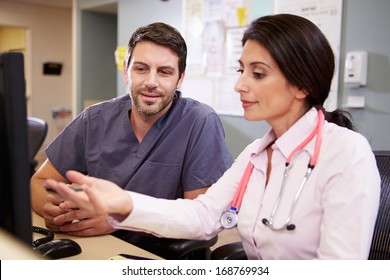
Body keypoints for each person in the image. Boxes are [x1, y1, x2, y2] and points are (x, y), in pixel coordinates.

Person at [44, 14, 381, 260]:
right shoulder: (255, 155)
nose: (239, 85)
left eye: (257, 73)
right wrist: (124, 203)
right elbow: (203, 216)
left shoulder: (347, 154)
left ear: (302, 85)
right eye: (241, 70)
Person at [30, 22, 233, 241]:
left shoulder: (199, 122)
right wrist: (52, 208)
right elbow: (39, 181)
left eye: (164, 72)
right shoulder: (95, 120)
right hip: (101, 245)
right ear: (126, 71)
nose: (151, 82)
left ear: (180, 78)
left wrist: (120, 220)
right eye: (141, 69)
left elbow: (198, 218)